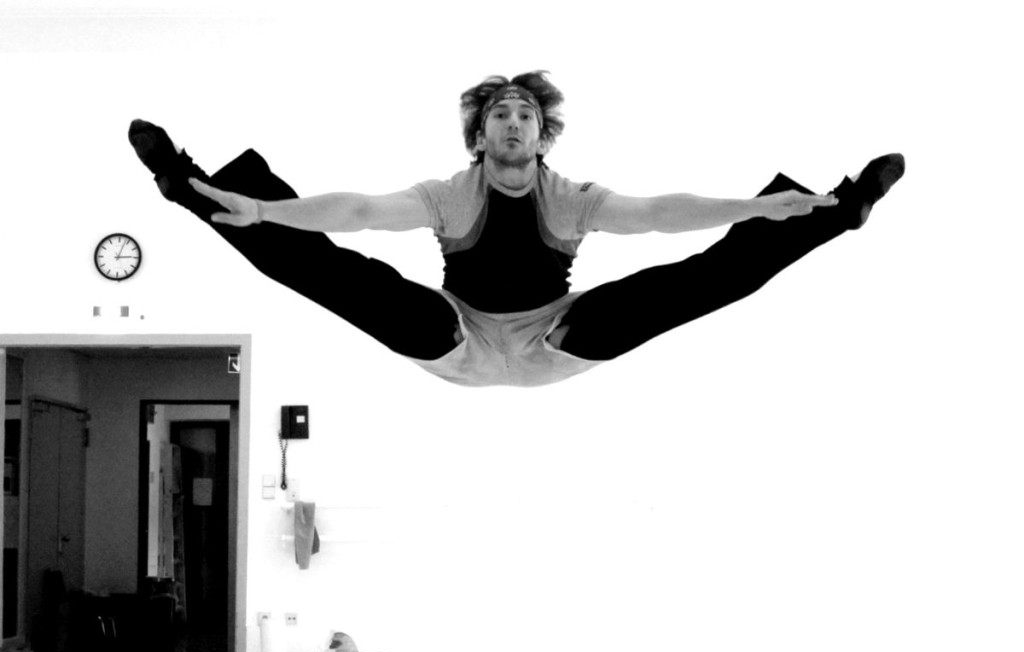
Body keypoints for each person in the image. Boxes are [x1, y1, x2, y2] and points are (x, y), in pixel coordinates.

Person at [128, 71, 904, 388]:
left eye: (525, 114)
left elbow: (659, 216)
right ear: (479, 134)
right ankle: (193, 187)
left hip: (550, 340)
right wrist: (264, 212)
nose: (512, 123)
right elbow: (359, 213)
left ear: (543, 134)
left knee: (690, 286)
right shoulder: (450, 192)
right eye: (498, 114)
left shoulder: (569, 195)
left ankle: (837, 209)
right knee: (338, 276)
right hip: (458, 337)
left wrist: (750, 207)